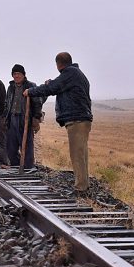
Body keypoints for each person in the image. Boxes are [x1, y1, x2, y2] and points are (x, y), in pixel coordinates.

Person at [24, 52, 92, 193]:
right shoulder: (76, 73)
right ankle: (84, 184)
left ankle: (81, 188)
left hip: (77, 119)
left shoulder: (70, 73)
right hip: (82, 118)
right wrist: (53, 83)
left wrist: (30, 91)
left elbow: (52, 88)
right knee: (81, 153)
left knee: (77, 154)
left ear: (58, 64)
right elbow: (57, 85)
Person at [5, 64, 44, 170]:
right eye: (14, 74)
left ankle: (27, 167)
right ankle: (16, 165)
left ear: (23, 75)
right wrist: (6, 118)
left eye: (19, 74)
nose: (16, 76)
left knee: (26, 144)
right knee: (11, 145)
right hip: (12, 118)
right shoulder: (10, 87)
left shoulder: (30, 86)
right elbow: (7, 103)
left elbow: (37, 103)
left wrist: (36, 118)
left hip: (25, 118)